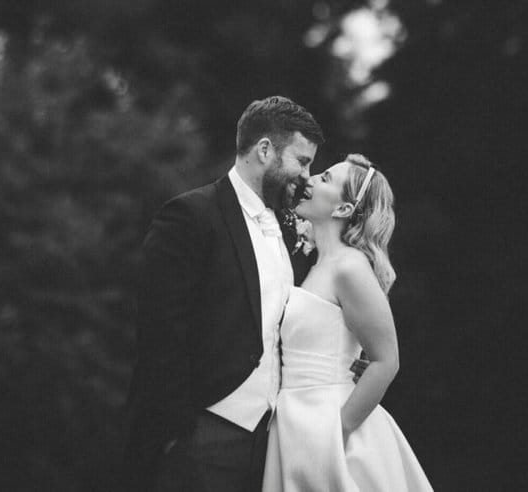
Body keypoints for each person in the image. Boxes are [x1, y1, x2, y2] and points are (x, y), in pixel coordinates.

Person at [123, 96, 324, 492]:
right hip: (203, 435)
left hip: (272, 442)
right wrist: (183, 429)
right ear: (265, 150)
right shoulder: (191, 216)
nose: (307, 176)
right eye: (302, 161)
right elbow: (160, 329)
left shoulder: (287, 229)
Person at [262, 154, 433, 492]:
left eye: (325, 178)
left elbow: (386, 360)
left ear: (342, 209)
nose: (309, 180)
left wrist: (336, 432)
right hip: (295, 421)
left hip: (330, 426)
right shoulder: (316, 266)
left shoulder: (350, 267)